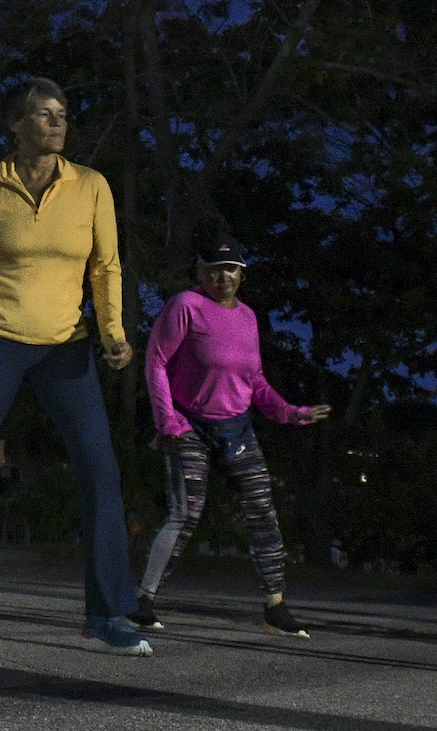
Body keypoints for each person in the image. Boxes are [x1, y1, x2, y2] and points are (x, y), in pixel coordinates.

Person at [0, 77, 149, 653]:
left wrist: (113, 331)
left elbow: (106, 267)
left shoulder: (91, 187)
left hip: (66, 343)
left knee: (99, 471)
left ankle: (109, 612)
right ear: (16, 125)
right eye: (43, 115)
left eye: (62, 114)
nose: (57, 124)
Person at [134, 234, 324, 636]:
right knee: (186, 512)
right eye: (215, 270)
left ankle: (275, 607)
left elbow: (254, 381)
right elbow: (156, 361)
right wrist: (167, 421)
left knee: (262, 512)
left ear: (241, 274)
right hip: (190, 425)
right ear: (201, 272)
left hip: (237, 427)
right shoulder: (187, 305)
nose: (224, 278)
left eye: (232, 270)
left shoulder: (248, 317)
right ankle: (144, 601)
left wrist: (291, 413)